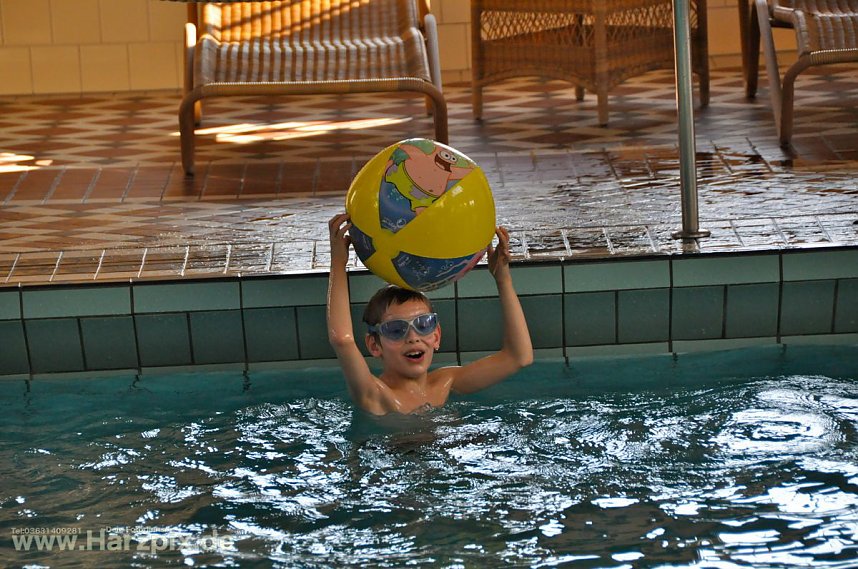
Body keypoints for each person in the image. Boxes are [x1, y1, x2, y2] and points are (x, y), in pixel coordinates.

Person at [327, 213, 533, 416]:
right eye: (396, 329)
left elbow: (518, 358)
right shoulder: (376, 395)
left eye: (423, 324)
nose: (413, 337)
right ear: (374, 345)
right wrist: (338, 262)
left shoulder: (446, 382)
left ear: (436, 336)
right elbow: (342, 339)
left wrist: (502, 280)